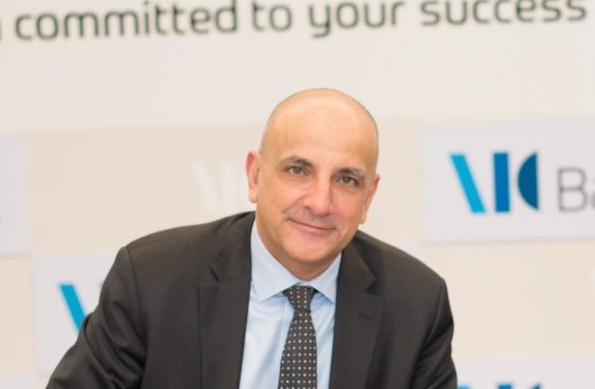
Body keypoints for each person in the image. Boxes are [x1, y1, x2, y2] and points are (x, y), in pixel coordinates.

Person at [47, 89, 456, 389]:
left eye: (346, 180)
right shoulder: (152, 281)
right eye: (298, 170)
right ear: (255, 176)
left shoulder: (417, 303)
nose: (319, 202)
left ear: (368, 198)